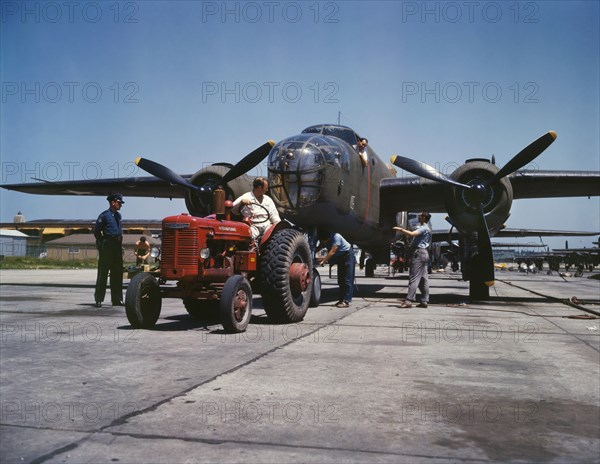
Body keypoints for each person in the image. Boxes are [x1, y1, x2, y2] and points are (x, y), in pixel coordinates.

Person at [393, 212, 432, 308]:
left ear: (423, 217)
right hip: (424, 253)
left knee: (414, 278)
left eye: (419, 215)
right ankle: (424, 301)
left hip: (418, 253)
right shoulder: (428, 228)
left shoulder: (423, 228)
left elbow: (412, 234)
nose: (418, 216)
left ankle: (408, 301)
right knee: (423, 279)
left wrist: (400, 229)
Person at [93, 193, 125, 307]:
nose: (121, 205)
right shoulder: (104, 216)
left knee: (117, 273)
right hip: (107, 245)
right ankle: (98, 299)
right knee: (103, 272)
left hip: (117, 245)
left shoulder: (118, 216)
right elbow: (97, 232)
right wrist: (103, 244)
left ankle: (117, 299)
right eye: (119, 202)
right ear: (113, 202)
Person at [232, 177, 281, 241]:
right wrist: (241, 203)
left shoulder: (268, 200)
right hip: (253, 226)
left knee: (275, 238)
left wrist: (280, 228)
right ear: (259, 188)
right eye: (266, 188)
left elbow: (275, 217)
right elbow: (232, 208)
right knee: (248, 238)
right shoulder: (246, 197)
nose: (267, 190)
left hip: (267, 227)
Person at [317, 231, 355, 308]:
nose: (322, 243)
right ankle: (341, 300)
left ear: (327, 239)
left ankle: (346, 301)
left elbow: (333, 251)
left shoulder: (336, 237)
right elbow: (319, 247)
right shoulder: (326, 240)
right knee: (340, 279)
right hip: (340, 257)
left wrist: (323, 261)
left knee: (347, 279)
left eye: (323, 241)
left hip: (348, 255)